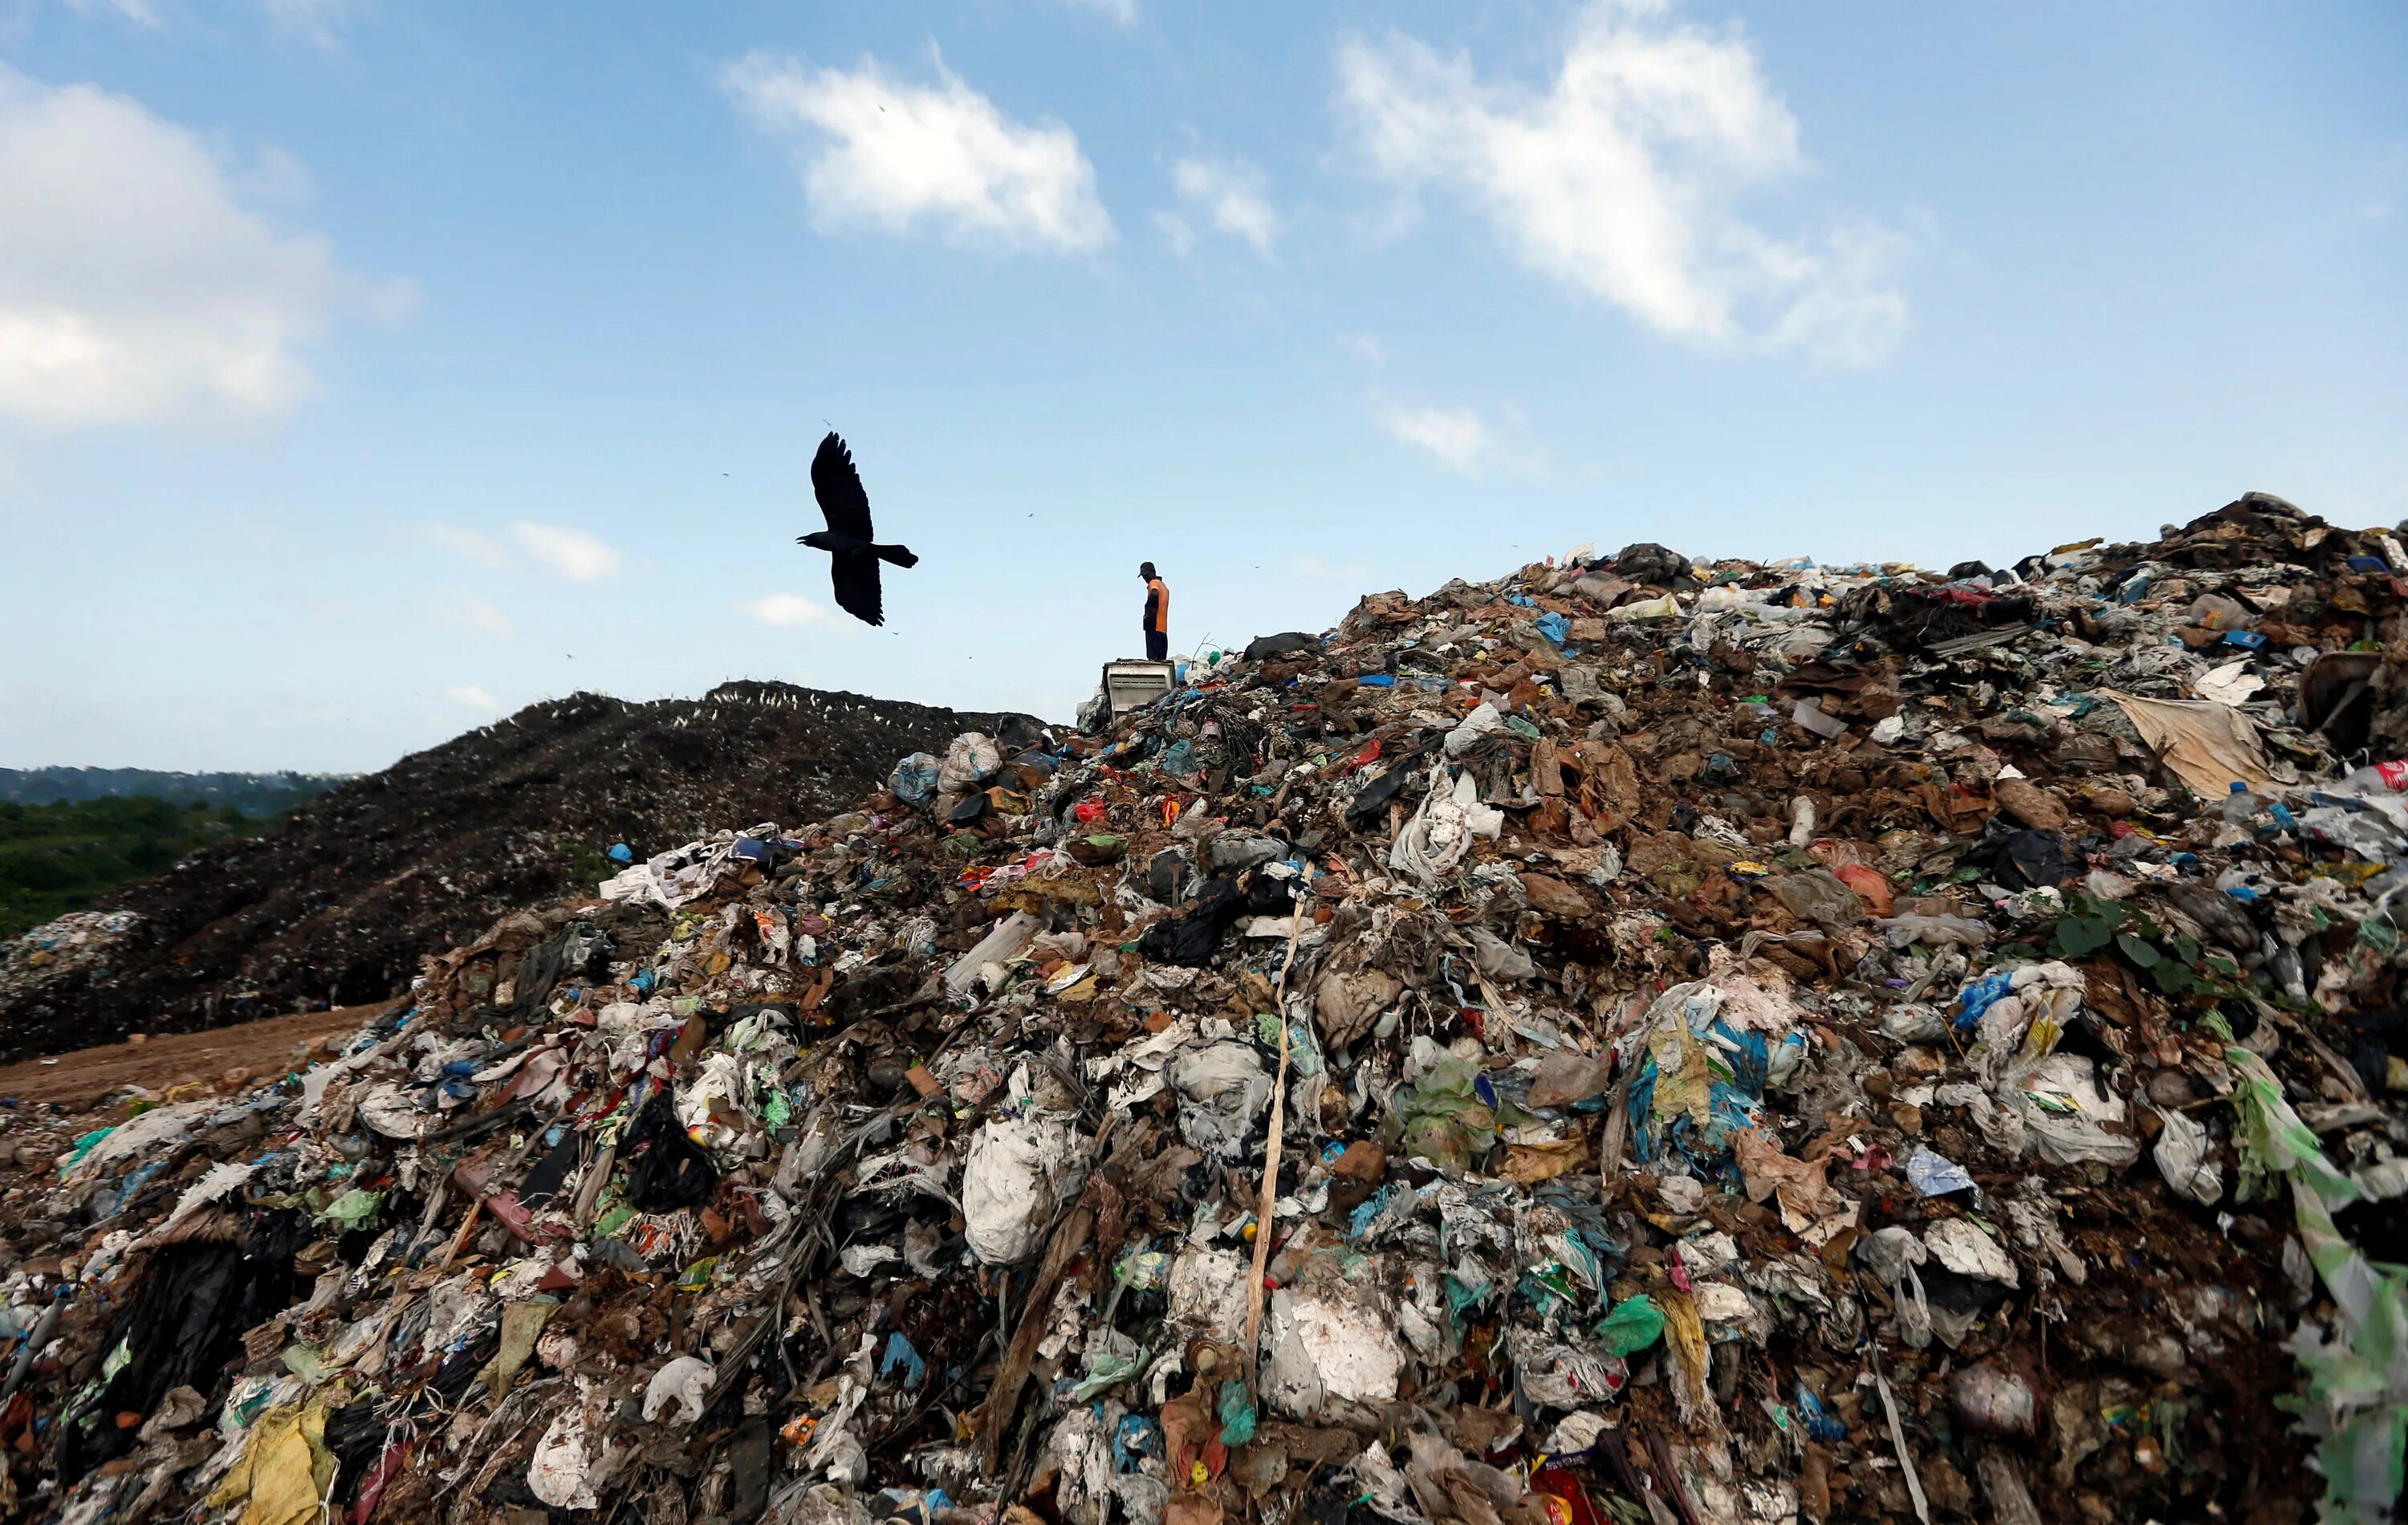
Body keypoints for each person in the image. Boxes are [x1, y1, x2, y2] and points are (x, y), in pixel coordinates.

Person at [1140, 562, 1170, 661]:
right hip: (1163, 629)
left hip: (1154, 626)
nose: (1145, 579)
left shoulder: (1153, 583)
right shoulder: (1164, 587)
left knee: (1153, 660)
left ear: (1152, 573)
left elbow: (1154, 593)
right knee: (1161, 661)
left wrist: (1149, 613)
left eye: (1145, 575)